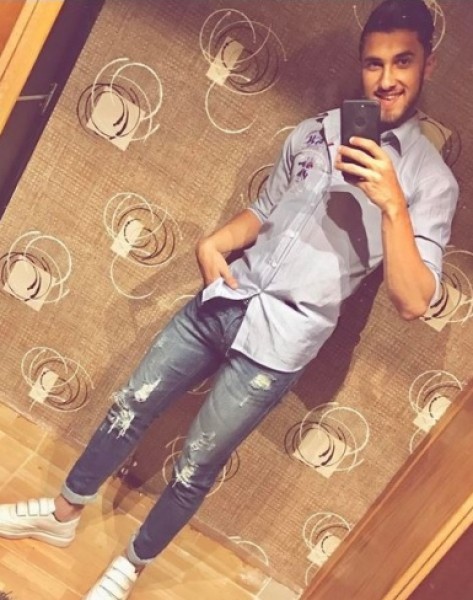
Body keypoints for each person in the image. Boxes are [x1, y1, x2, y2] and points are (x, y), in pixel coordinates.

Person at [0, 0, 459, 598]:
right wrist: (214, 242)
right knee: (130, 403)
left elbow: (413, 301)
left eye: (404, 61)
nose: (387, 78)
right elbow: (267, 210)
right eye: (375, 63)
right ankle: (64, 514)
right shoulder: (315, 132)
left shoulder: (430, 182)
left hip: (280, 341)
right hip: (226, 297)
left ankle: (130, 567)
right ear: (361, 65)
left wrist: (393, 204)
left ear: (428, 64)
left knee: (196, 464)